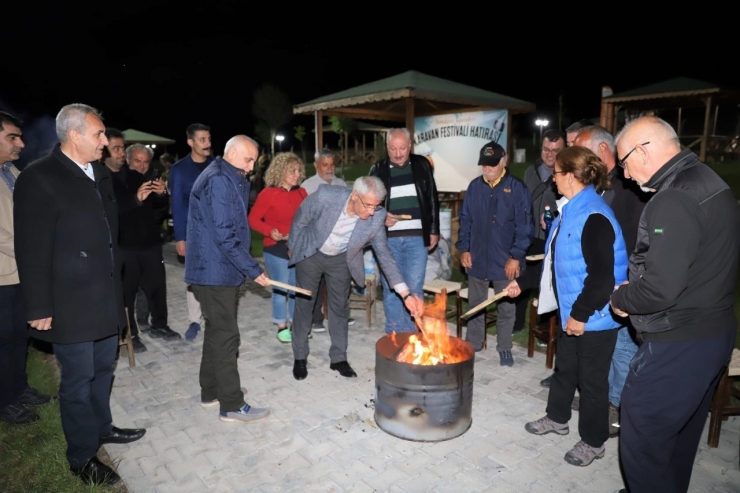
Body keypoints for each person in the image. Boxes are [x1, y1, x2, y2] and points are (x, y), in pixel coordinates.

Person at [14, 104, 145, 485]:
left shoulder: (99, 173)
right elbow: (31, 247)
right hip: (68, 300)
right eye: (99, 135)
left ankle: (102, 427)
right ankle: (82, 456)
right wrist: (38, 306)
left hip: (104, 294)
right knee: (77, 378)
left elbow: (110, 235)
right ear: (74, 136)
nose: (106, 142)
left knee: (104, 368)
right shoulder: (40, 177)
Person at [610, 116, 740, 493]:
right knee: (679, 432)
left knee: (642, 430)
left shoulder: (673, 198)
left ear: (644, 150)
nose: (625, 174)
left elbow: (659, 290)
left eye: (624, 162)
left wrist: (621, 298)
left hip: (678, 340)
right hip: (714, 332)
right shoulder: (708, 180)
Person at [522, 146, 627, 468]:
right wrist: (523, 283)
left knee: (593, 382)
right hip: (575, 311)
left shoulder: (594, 216)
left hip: (594, 316)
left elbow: (602, 277)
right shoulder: (571, 209)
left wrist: (580, 315)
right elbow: (555, 262)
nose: (552, 179)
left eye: (556, 173)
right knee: (565, 370)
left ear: (569, 175)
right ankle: (557, 418)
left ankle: (594, 442)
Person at [288, 176, 424, 380]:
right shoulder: (325, 197)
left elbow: (384, 255)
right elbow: (300, 220)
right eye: (368, 206)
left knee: (340, 307)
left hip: (342, 259)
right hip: (312, 253)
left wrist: (406, 295)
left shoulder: (376, 216)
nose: (371, 212)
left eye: (376, 207)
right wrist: (293, 247)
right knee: (304, 304)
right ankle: (300, 357)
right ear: (354, 196)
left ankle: (338, 358)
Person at [185, 135, 271, 424]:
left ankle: (211, 391)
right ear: (232, 152)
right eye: (248, 160)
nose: (250, 167)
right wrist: (253, 268)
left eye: (253, 162)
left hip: (219, 270)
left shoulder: (227, 176)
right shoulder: (219, 179)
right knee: (227, 335)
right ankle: (232, 404)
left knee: (216, 331)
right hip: (215, 271)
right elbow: (225, 233)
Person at [573, 125, 649, 436]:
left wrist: (630, 279)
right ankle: (601, 397)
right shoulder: (600, 185)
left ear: (603, 151)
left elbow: (638, 238)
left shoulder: (629, 187)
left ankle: (617, 405)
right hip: (603, 278)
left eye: (584, 150)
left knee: (622, 347)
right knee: (604, 343)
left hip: (625, 281)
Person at [456, 141, 533, 365]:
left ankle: (504, 347)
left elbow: (525, 227)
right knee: (476, 303)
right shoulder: (474, 187)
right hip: (477, 257)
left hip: (505, 261)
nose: (487, 169)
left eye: (492, 165)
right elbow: (466, 220)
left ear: (503, 161)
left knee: (507, 308)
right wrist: (464, 249)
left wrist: (516, 256)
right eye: (484, 165)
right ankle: (474, 342)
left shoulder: (517, 188)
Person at [0, 111, 53, 425]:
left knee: (19, 335)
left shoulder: (11, 172)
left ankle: (18, 389)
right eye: (12, 137)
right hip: (4, 274)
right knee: (4, 339)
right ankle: (5, 400)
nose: (21, 142)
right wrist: (34, 252)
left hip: (20, 272)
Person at [369, 128, 439, 334]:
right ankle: (393, 333)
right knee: (392, 288)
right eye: (393, 148)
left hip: (417, 239)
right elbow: (368, 203)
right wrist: (382, 216)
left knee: (414, 287)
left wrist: (433, 229)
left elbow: (432, 198)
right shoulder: (377, 169)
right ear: (387, 147)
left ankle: (410, 335)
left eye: (402, 148)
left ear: (410, 146)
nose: (398, 153)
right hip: (387, 240)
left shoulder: (422, 165)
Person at [115, 143, 177, 353]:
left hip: (151, 245)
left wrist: (161, 195)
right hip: (126, 247)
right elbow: (116, 211)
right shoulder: (118, 179)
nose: (141, 166)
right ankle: (130, 333)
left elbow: (159, 212)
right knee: (127, 293)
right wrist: (136, 199)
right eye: (137, 161)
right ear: (128, 160)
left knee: (158, 288)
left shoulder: (152, 178)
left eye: (145, 161)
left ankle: (159, 325)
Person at [522, 129, 565, 388]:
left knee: (546, 285)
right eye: (546, 150)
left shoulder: (566, 173)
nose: (550, 155)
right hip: (529, 236)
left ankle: (548, 332)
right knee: (526, 280)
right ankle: (528, 326)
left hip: (552, 238)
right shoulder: (531, 171)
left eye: (555, 150)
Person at [248, 152, 307, 343]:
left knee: (296, 288)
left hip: (297, 248)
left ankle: (296, 324)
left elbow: (307, 219)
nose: (296, 174)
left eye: (298, 170)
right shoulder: (268, 193)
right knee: (281, 287)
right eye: (292, 170)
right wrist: (269, 231)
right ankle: (282, 326)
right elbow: (253, 219)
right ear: (280, 171)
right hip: (275, 247)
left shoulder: (301, 193)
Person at [300, 148, 353, 333]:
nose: (329, 168)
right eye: (325, 165)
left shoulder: (341, 183)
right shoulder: (308, 186)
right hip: (316, 241)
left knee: (340, 279)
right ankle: (316, 318)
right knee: (317, 281)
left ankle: (340, 313)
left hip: (339, 240)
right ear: (316, 165)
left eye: (332, 164)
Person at [170, 123, 213, 341]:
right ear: (191, 142)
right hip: (193, 233)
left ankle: (214, 316)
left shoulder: (217, 165)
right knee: (194, 278)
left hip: (217, 233)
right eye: (202, 140)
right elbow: (177, 204)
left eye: (208, 139)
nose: (207, 143)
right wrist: (180, 237)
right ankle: (195, 321)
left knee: (217, 275)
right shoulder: (179, 169)